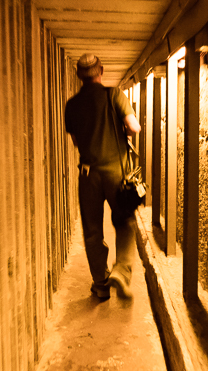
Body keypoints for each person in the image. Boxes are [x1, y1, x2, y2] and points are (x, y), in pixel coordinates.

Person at [65, 53, 141, 300]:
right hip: (117, 173)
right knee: (125, 221)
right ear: (101, 72)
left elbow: (77, 141)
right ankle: (121, 270)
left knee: (92, 230)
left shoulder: (72, 105)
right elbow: (133, 127)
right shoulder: (113, 95)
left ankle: (100, 283)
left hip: (88, 175)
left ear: (79, 76)